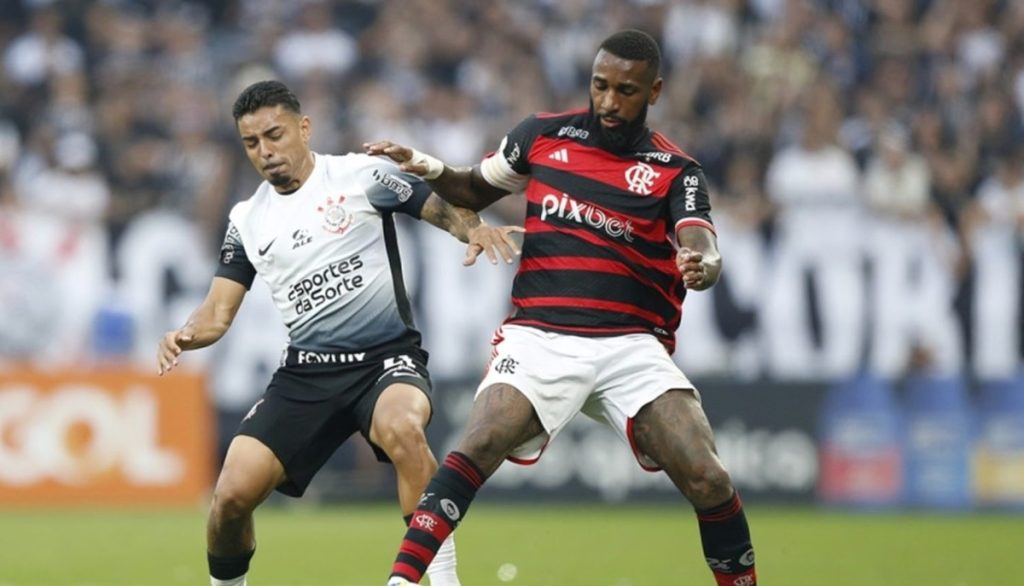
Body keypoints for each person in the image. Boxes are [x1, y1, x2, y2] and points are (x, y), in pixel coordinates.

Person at [365, 29, 757, 586]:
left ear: (655, 92)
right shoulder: (542, 137)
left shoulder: (676, 170)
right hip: (540, 334)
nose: (610, 102)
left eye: (626, 90)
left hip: (631, 345)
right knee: (481, 439)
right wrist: (425, 164)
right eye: (601, 86)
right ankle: (401, 582)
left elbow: (702, 243)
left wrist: (703, 265)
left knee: (708, 475)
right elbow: (473, 190)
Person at [156, 80, 522, 586]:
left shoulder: (360, 175)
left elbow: (435, 206)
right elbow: (217, 313)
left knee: (403, 429)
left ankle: (442, 581)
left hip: (385, 361)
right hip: (306, 373)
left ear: (304, 128)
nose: (265, 152)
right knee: (230, 499)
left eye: (274, 135)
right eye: (252, 143)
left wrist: (473, 228)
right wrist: (185, 334)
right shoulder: (247, 219)